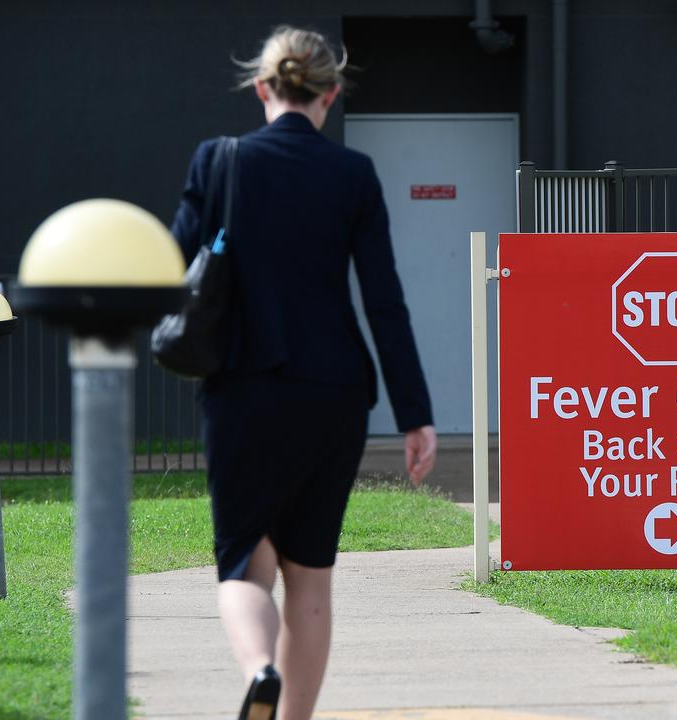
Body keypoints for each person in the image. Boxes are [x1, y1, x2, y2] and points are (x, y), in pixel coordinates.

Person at [168, 26, 437, 720]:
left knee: (243, 563)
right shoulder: (353, 175)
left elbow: (174, 264)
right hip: (335, 393)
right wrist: (415, 414)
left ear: (262, 86)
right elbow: (384, 300)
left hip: (244, 386)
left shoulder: (219, 161)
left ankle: (260, 671)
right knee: (311, 576)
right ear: (331, 93)